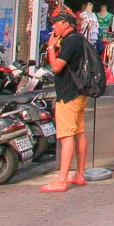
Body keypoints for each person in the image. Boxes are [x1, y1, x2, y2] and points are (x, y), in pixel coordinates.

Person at [40, 12, 88, 193]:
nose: (53, 27)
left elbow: (56, 66)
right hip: (79, 92)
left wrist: (51, 48)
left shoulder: (69, 42)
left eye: (56, 24)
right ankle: (79, 174)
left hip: (67, 94)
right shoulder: (79, 39)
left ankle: (62, 180)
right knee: (79, 132)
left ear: (66, 24)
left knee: (66, 136)